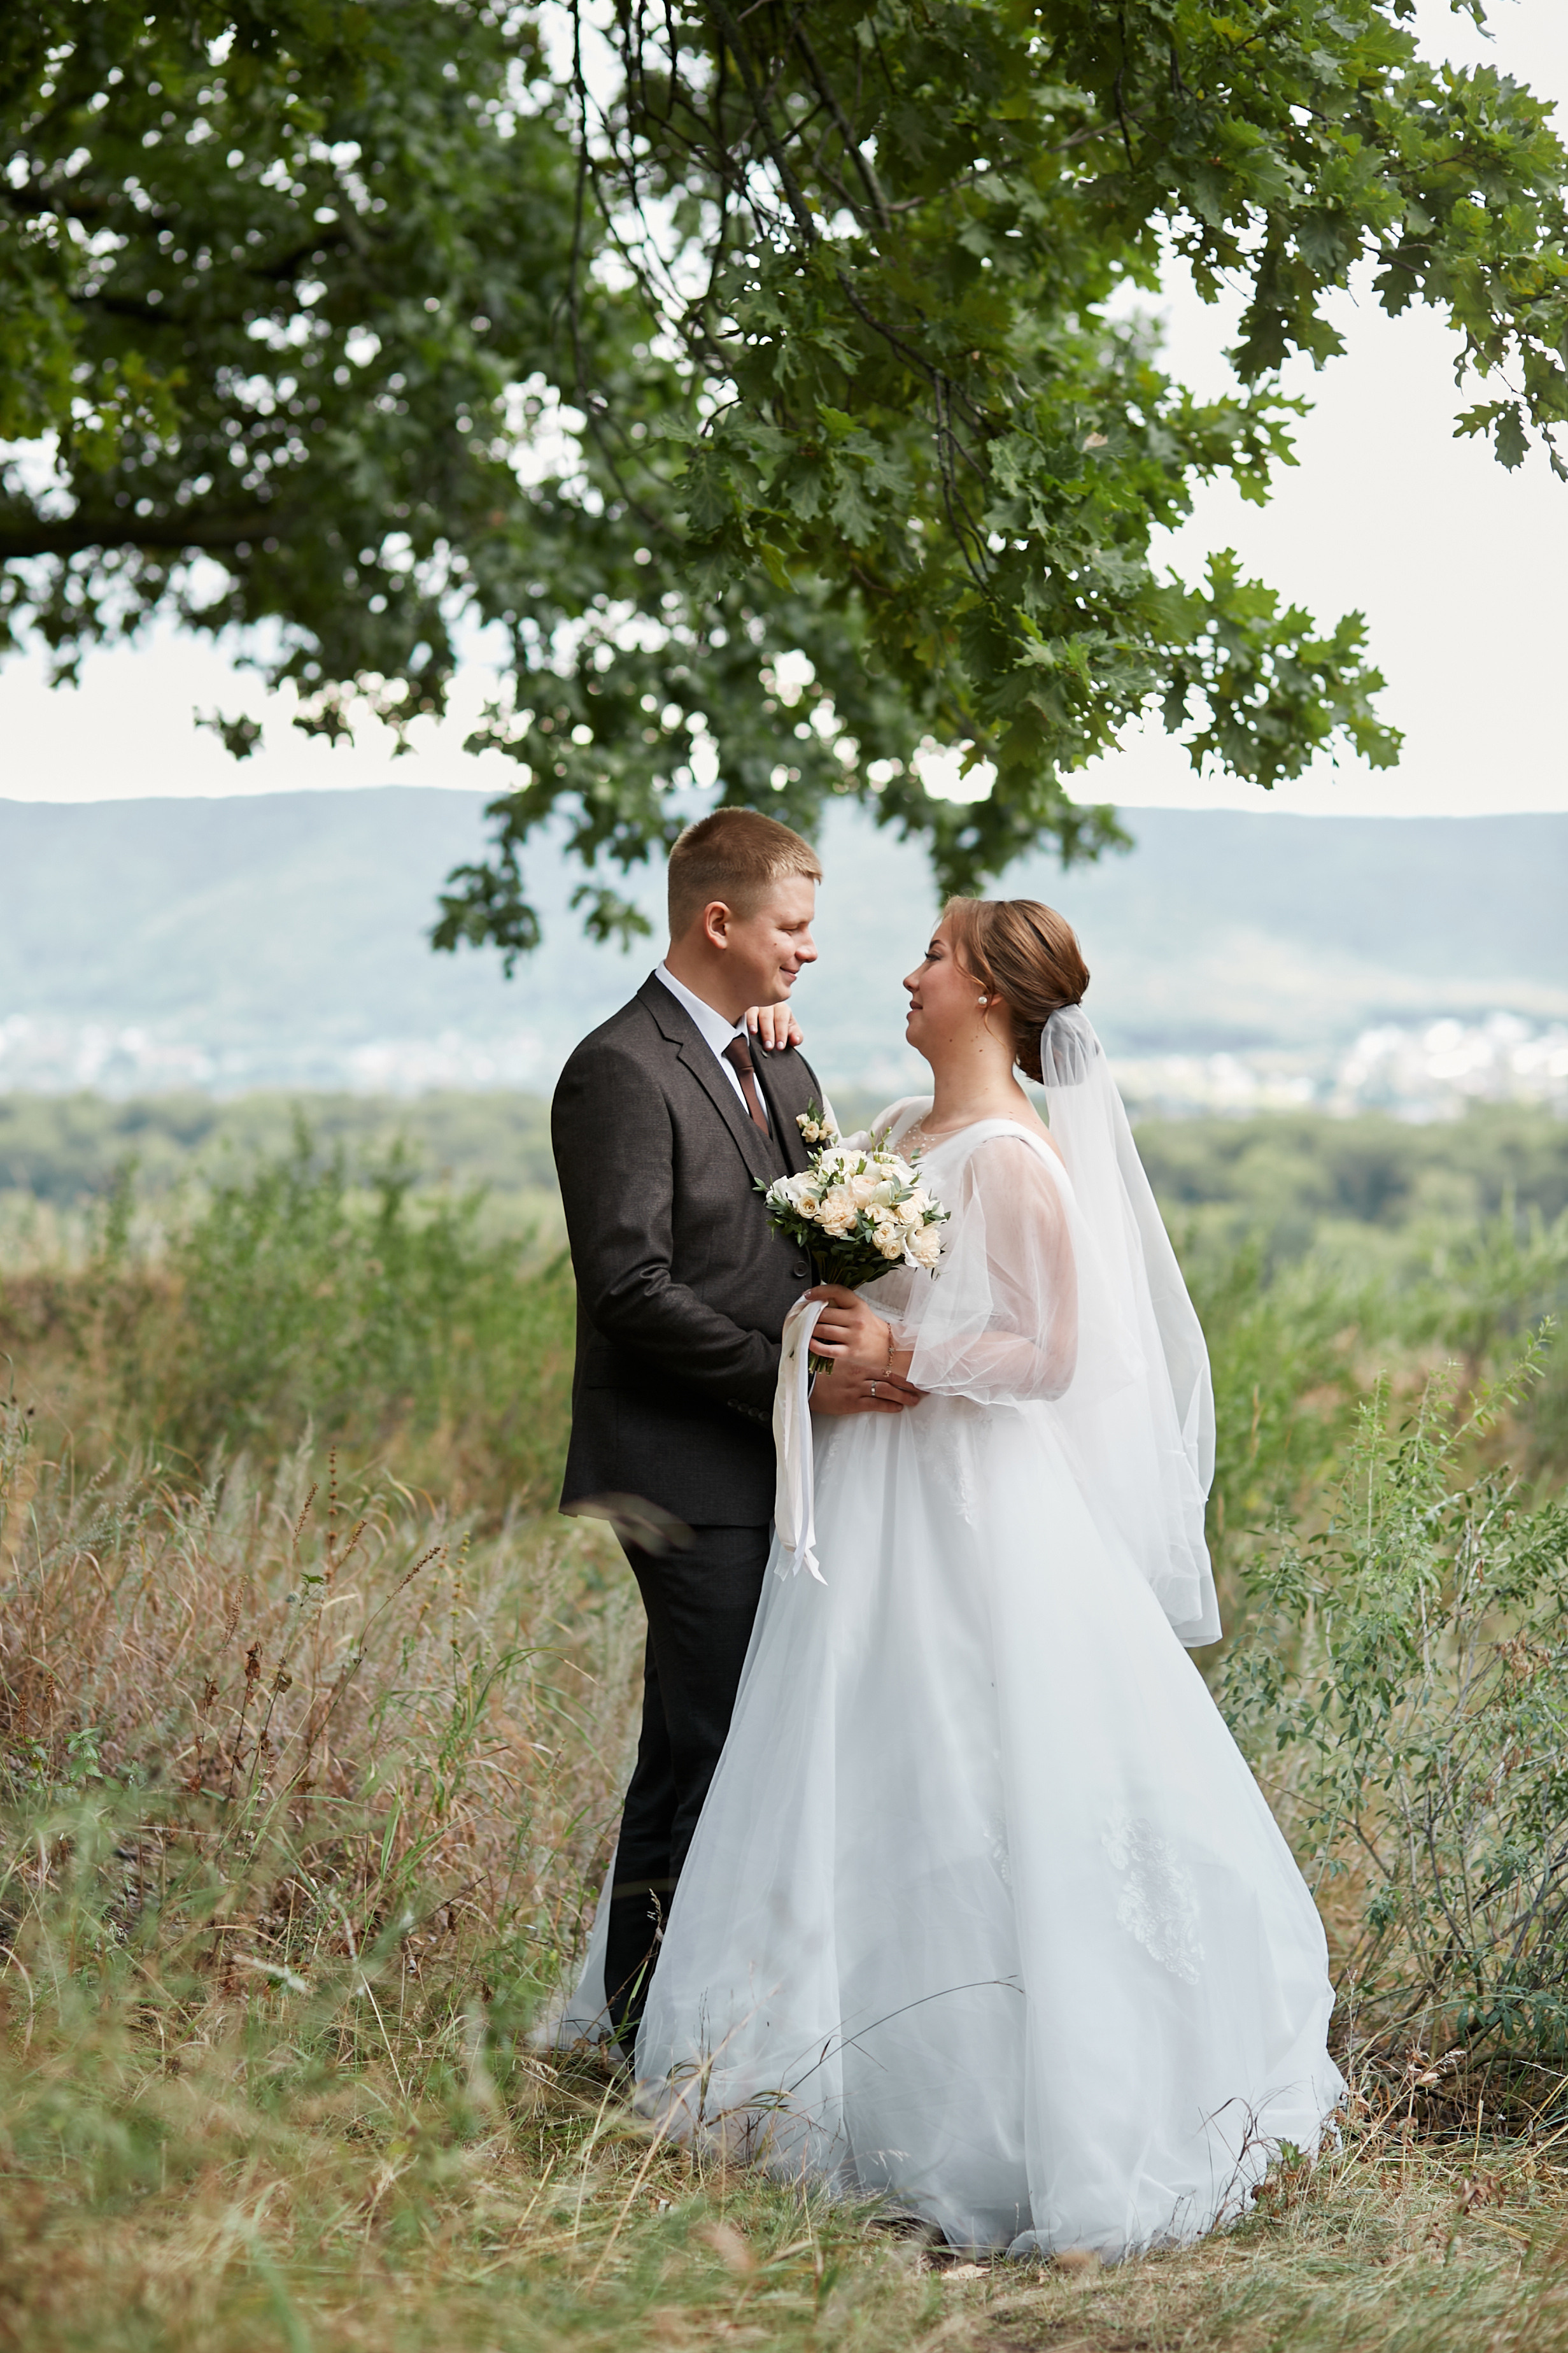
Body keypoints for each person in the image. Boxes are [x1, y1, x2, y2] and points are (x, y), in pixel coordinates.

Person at [631, 897, 1346, 2260]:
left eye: (934, 959)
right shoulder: (898, 1137)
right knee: (860, 1756)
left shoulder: (1015, 1159)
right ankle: (813, 2058)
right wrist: (834, 1314)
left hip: (966, 1503)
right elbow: (849, 1278)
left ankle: (1004, 2085)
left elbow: (1048, 1356)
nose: (906, 975)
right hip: (866, 1496)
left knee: (975, 1758)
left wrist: (904, 1361)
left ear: (993, 997)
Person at [549, 809, 914, 2051]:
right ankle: (676, 2052)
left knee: (694, 1744)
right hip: (680, 1466)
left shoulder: (778, 1063)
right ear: (720, 921)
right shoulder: (617, 1067)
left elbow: (795, 1234)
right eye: (792, 928)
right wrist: (782, 1380)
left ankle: (640, 2023)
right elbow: (629, 1286)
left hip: (773, 1463)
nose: (808, 954)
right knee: (714, 1747)